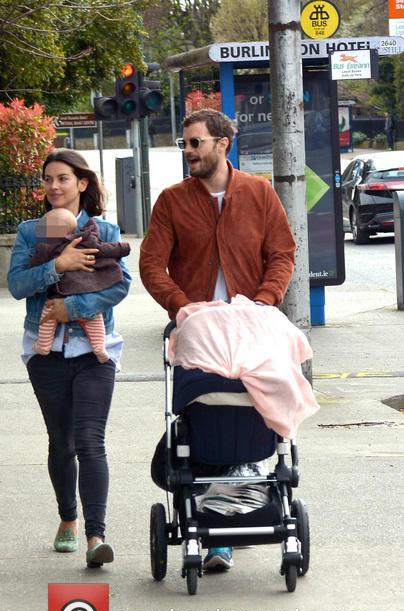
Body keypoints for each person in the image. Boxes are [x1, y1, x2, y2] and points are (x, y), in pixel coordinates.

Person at [139, 108, 296, 573]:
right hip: (200, 330)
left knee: (255, 404)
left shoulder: (259, 194)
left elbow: (282, 253)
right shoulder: (171, 201)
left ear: (222, 144)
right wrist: (182, 306)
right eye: (184, 145)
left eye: (195, 143)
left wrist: (265, 302)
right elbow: (151, 265)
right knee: (204, 411)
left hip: (252, 324)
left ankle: (248, 482)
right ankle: (216, 529)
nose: (188, 152)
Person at [7, 148, 131, 567]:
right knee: (62, 442)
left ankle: (97, 536)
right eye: (47, 180)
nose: (54, 187)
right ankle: (67, 520)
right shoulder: (30, 232)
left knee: (91, 441)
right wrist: (57, 265)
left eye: (62, 178)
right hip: (46, 353)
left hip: (95, 351)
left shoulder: (104, 228)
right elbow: (16, 284)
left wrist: (72, 309)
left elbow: (119, 285)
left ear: (82, 183)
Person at [29, 207, 130, 362]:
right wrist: (123, 248)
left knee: (48, 316)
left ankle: (43, 345)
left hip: (60, 291)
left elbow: (35, 264)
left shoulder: (47, 247)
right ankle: (99, 347)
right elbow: (103, 249)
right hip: (87, 289)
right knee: (93, 317)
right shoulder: (87, 238)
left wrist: (40, 264)